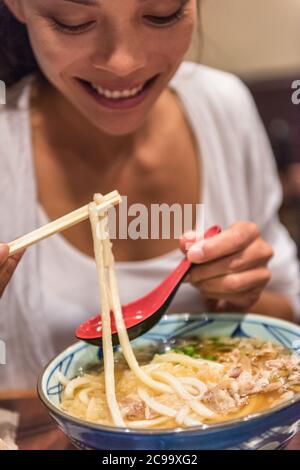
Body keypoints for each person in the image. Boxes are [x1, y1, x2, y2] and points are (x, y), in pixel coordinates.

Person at [0, 0, 299, 390]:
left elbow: (289, 318)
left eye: (162, 13)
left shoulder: (224, 106)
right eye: (73, 22)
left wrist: (236, 299)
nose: (123, 63)